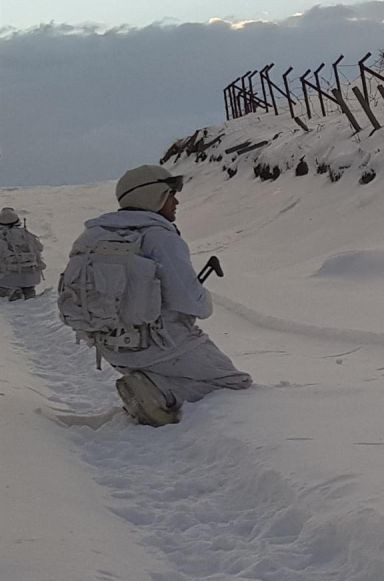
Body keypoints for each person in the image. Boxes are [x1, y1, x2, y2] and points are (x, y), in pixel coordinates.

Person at [60, 164, 252, 426]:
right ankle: (159, 392)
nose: (176, 201)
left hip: (111, 345)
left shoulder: (92, 235)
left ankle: (154, 389)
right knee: (235, 386)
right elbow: (193, 303)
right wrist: (204, 298)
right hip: (163, 344)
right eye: (170, 193)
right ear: (152, 195)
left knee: (194, 376)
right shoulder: (159, 237)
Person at [0, 206, 45, 301]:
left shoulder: (2, 237)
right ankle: (29, 292)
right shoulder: (26, 234)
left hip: (7, 278)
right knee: (28, 285)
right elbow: (40, 248)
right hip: (31, 276)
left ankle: (9, 292)